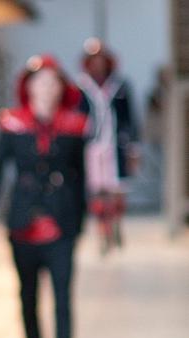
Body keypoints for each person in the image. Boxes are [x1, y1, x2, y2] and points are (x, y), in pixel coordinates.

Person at [0, 55, 89, 338]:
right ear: (27, 87)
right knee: (27, 299)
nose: (46, 89)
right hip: (23, 223)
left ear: (62, 88)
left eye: (53, 82)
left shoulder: (74, 125)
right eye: (39, 82)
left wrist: (81, 221)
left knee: (63, 299)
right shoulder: (12, 124)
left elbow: (81, 177)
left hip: (61, 224)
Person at [76, 39, 139, 252]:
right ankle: (103, 231)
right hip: (92, 147)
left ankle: (117, 223)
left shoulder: (119, 86)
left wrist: (133, 147)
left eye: (101, 60)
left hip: (116, 146)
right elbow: (78, 116)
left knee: (117, 188)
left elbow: (130, 118)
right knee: (97, 190)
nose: (98, 65)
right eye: (94, 60)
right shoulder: (82, 87)